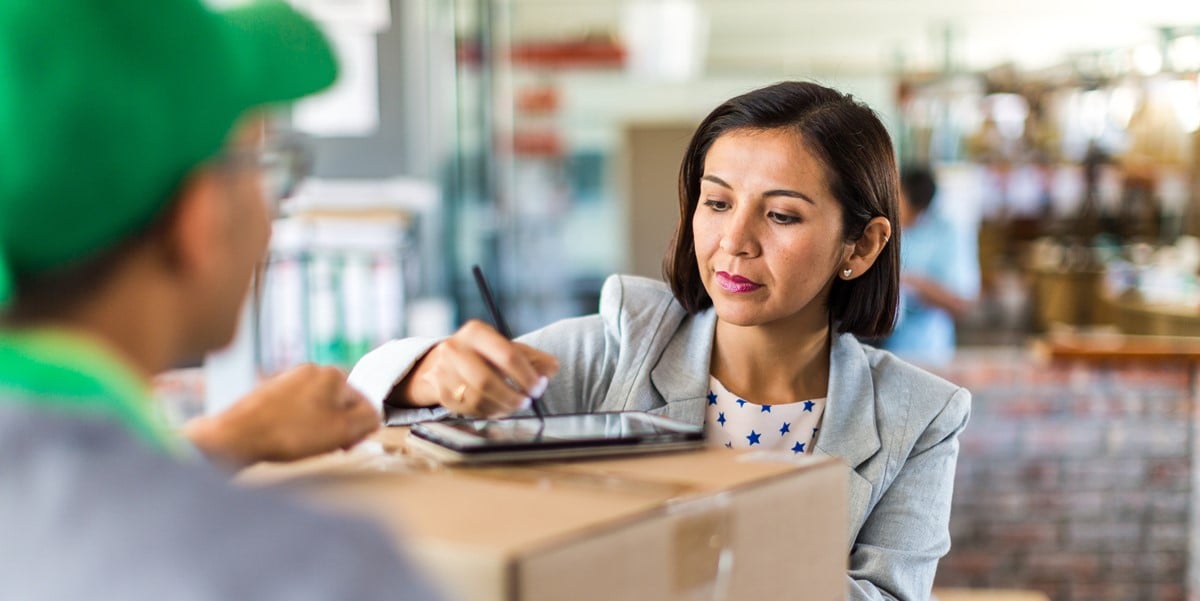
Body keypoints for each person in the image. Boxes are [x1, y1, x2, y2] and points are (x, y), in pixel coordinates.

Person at [351, 81, 972, 600]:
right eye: (717, 202)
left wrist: (690, 548)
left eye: (781, 215)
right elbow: (378, 404)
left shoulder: (919, 416)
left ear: (860, 246)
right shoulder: (618, 348)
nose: (736, 240)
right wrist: (431, 372)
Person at [0, 0, 440, 599]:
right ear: (198, 220)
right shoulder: (312, 573)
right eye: (263, 168)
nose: (270, 213)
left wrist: (224, 440)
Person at [883, 166, 980, 365]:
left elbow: (961, 303)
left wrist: (909, 281)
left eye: (898, 198)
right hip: (881, 350)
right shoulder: (887, 227)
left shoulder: (947, 233)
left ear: (917, 205)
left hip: (928, 354)